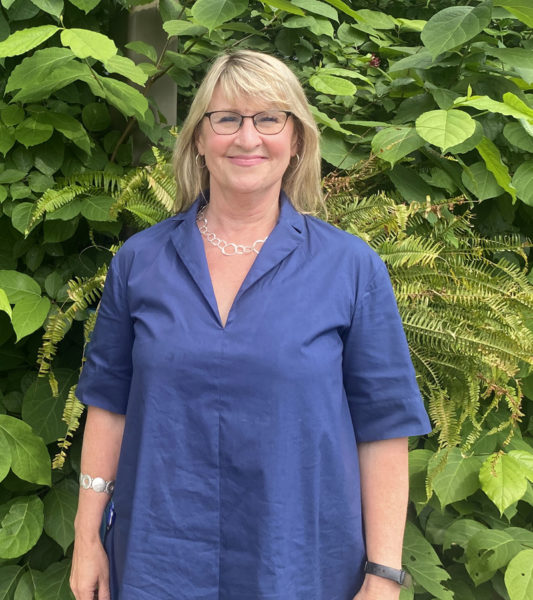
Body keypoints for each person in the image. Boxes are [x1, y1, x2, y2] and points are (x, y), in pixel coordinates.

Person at [70, 50, 431, 600]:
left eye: (269, 118)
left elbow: (383, 427)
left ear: (297, 139)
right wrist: (86, 536)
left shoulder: (350, 268)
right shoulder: (140, 262)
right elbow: (108, 405)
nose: (247, 137)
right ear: (198, 138)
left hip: (299, 563)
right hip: (160, 561)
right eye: (227, 118)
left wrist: (383, 576)